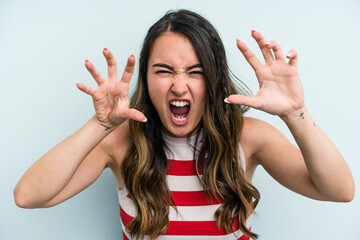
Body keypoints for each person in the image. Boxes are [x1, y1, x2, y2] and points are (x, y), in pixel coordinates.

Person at [14, 9, 354, 240]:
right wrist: (99, 125)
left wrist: (295, 112)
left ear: (215, 78)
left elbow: (339, 191)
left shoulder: (249, 138)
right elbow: (28, 196)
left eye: (196, 72)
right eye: (163, 70)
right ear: (146, 80)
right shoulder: (119, 142)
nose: (179, 86)